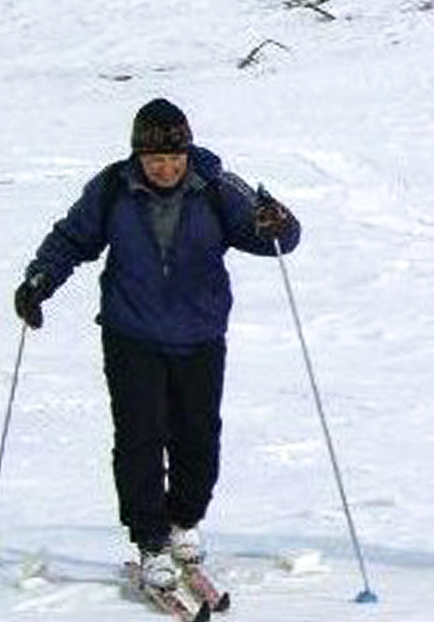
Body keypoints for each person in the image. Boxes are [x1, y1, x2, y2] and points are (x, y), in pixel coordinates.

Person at [12, 98, 299, 591]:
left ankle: (184, 520)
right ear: (137, 157)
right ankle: (150, 540)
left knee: (197, 435)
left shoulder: (216, 186)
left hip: (200, 333)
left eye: (173, 158)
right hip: (132, 334)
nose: (165, 168)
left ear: (187, 152)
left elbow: (274, 236)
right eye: (154, 159)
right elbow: (71, 240)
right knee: (140, 436)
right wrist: (39, 281)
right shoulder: (111, 190)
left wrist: (278, 223)